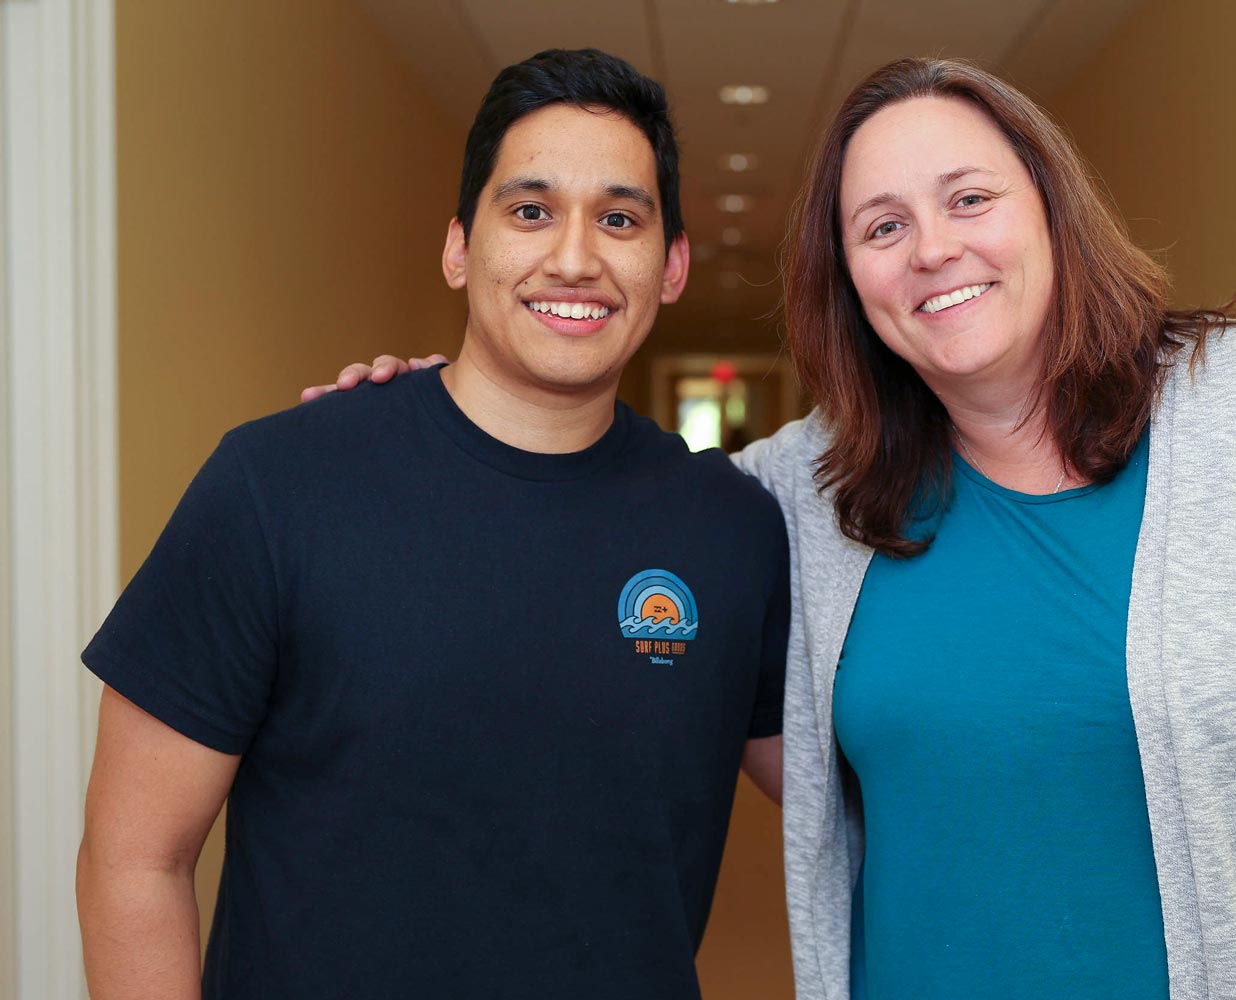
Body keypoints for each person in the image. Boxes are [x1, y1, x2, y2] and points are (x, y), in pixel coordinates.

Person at [317, 57, 1236, 1000]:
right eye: (881, 227)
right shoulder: (797, 497)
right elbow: (596, 509)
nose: (933, 248)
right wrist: (458, 407)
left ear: (1052, 211)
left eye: (970, 198)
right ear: (852, 283)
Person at [76, 49, 789, 1000]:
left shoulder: (732, 529)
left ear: (672, 266)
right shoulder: (278, 485)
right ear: (459, 247)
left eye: (620, 218)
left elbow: (879, 788)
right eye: (529, 210)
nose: (574, 257)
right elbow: (133, 861)